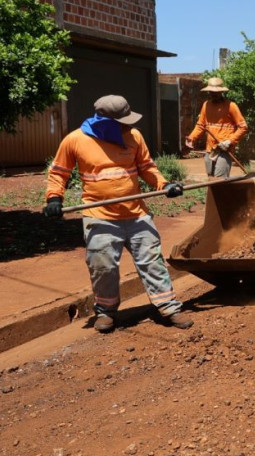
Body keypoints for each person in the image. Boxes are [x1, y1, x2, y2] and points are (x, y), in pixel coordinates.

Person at [43, 95, 192, 333]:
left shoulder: (134, 136)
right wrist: (54, 198)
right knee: (103, 267)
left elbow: (147, 167)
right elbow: (59, 173)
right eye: (123, 122)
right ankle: (106, 312)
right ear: (104, 121)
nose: (129, 125)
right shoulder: (75, 140)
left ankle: (169, 307)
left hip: (136, 214)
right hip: (99, 214)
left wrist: (164, 185)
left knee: (152, 262)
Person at [184, 77, 248, 178]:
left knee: (220, 179)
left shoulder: (231, 106)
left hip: (224, 149)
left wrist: (229, 141)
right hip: (210, 149)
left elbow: (243, 127)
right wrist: (192, 138)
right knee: (211, 178)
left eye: (216, 92)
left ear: (221, 92)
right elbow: (201, 125)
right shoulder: (206, 105)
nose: (213, 94)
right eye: (211, 92)